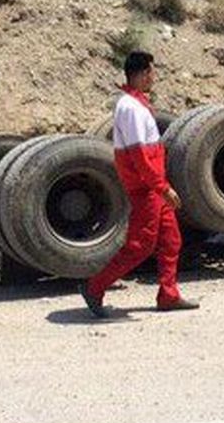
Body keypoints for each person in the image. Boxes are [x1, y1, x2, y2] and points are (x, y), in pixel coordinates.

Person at [81, 51, 198, 316]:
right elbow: (139, 155)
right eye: (152, 72)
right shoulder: (131, 108)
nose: (154, 77)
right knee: (141, 245)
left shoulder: (135, 104)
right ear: (143, 73)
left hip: (153, 184)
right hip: (146, 187)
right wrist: (162, 187)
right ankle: (94, 287)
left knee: (171, 240)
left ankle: (168, 295)